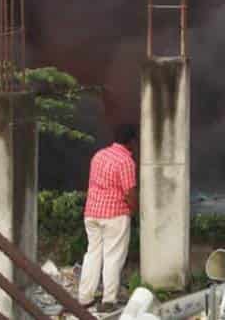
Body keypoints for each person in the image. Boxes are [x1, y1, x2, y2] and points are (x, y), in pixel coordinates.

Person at [78, 123, 138, 312]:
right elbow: (130, 193)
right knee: (113, 256)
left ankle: (84, 298)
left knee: (92, 254)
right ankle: (108, 301)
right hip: (115, 215)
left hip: (92, 213)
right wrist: (136, 212)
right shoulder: (126, 161)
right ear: (131, 142)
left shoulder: (99, 155)